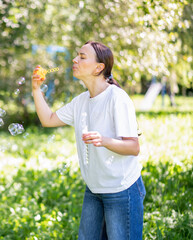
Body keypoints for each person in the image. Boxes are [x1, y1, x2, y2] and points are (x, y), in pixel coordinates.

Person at [32, 41, 146, 239]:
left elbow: (133, 147)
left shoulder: (117, 98)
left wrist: (104, 140)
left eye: (82, 57)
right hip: (94, 189)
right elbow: (48, 120)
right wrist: (35, 89)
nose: (75, 60)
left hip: (121, 189)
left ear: (98, 68)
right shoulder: (81, 101)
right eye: (77, 55)